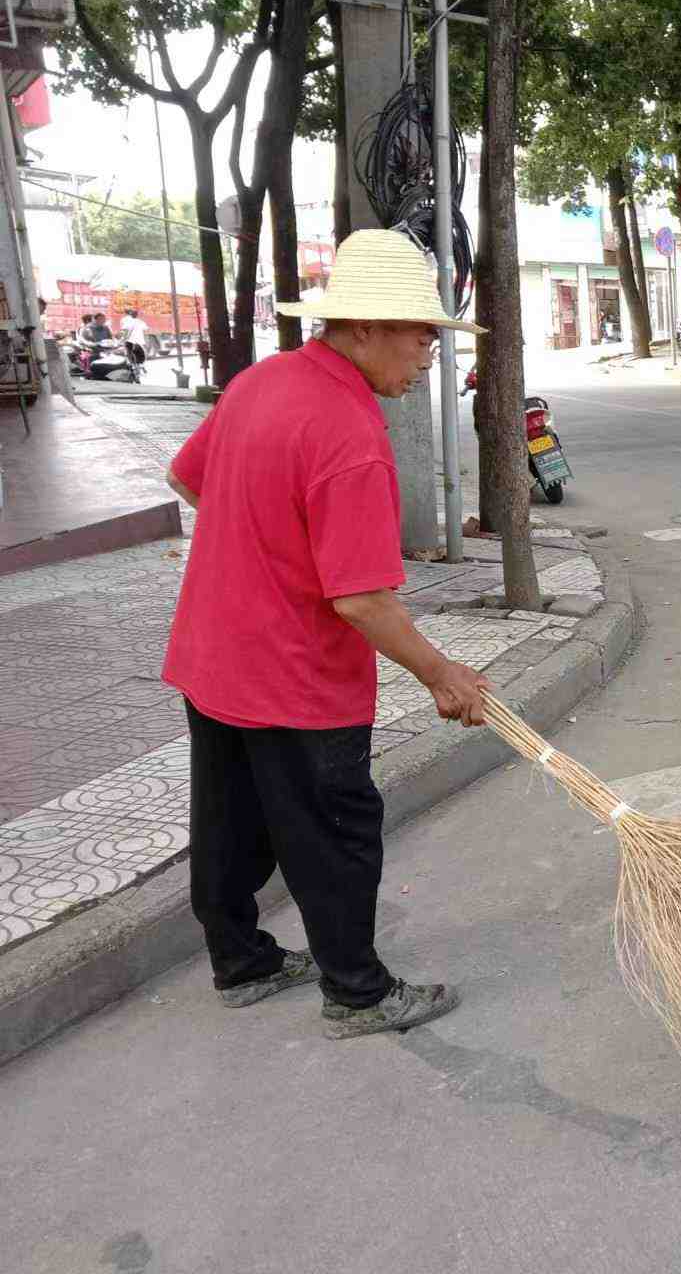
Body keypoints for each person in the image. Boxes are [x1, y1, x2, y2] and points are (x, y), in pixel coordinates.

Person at [163, 228, 490, 1040]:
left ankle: (242, 963)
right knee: (336, 833)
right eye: (421, 336)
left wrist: (264, 547)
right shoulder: (349, 434)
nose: (428, 355)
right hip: (296, 678)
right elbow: (362, 601)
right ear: (366, 327)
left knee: (229, 819)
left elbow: (188, 476)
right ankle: (359, 994)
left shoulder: (260, 381)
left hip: (213, 653)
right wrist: (444, 673)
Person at [119, 307, 149, 373]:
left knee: (129, 354)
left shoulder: (125, 321)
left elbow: (124, 331)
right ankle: (141, 366)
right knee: (140, 354)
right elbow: (146, 330)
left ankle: (134, 366)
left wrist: (122, 339)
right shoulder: (140, 321)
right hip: (139, 341)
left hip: (129, 341)